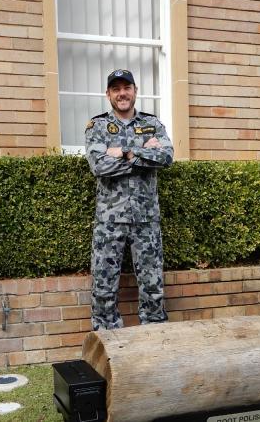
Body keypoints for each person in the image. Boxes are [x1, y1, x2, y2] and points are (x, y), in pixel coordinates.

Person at [85, 69, 174, 330]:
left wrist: (122, 153)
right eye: (116, 89)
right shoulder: (97, 126)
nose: (122, 93)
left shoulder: (153, 124)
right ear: (108, 94)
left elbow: (166, 157)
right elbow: (99, 166)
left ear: (135, 91)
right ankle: (108, 347)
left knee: (153, 287)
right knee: (103, 286)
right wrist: (142, 155)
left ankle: (155, 344)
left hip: (146, 218)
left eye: (127, 87)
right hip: (109, 220)